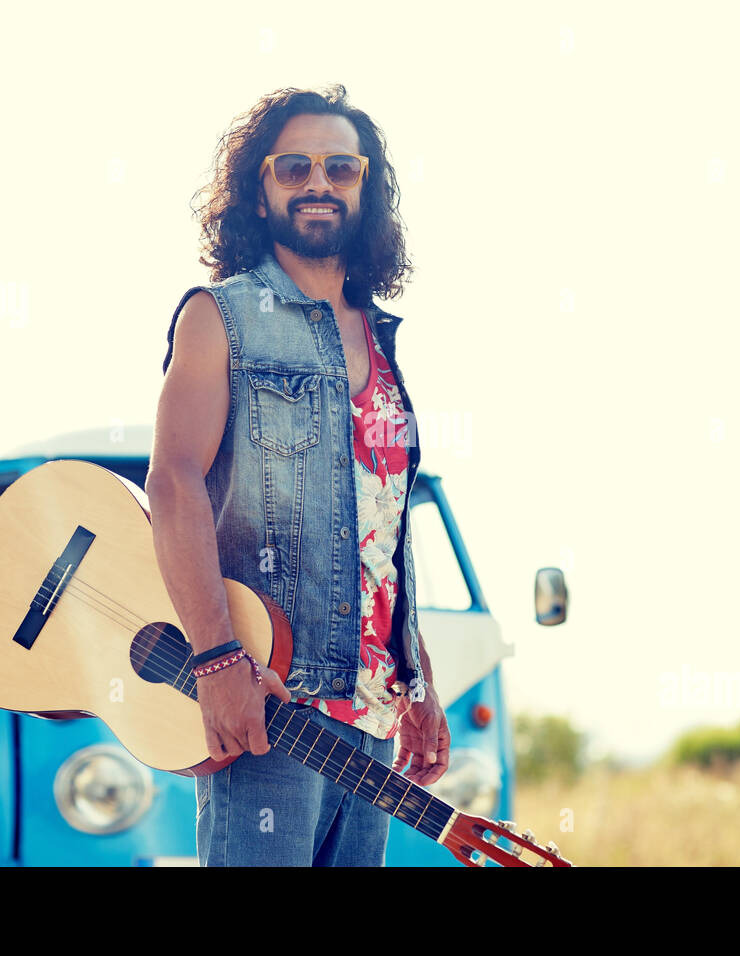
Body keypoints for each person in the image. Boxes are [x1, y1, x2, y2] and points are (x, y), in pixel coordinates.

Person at [145, 85, 449, 867]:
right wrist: (216, 661)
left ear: (365, 185)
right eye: (295, 166)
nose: (319, 182)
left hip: (373, 722)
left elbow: (383, 528)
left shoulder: (382, 341)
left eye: (341, 167)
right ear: (261, 186)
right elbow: (173, 482)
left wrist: (416, 683)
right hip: (271, 703)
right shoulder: (222, 317)